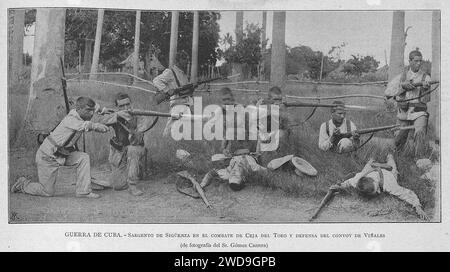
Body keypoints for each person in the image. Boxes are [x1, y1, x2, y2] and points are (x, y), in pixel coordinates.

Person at [11, 97, 110, 198]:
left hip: (62, 153)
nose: (91, 114)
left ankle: (83, 191)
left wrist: (101, 110)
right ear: (78, 109)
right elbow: (86, 125)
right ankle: (23, 184)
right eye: (88, 111)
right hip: (47, 156)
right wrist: (98, 126)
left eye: (92, 111)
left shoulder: (80, 114)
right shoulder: (71, 119)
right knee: (47, 192)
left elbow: (94, 106)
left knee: (83, 157)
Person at [201, 87, 267, 191]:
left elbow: (211, 173)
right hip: (245, 150)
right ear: (243, 177)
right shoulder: (251, 167)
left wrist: (201, 185)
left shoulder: (228, 172)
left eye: (233, 176)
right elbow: (268, 171)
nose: (235, 173)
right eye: (237, 176)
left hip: (239, 146)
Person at [330, 153, 429, 221]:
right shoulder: (357, 180)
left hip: (388, 173)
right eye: (375, 192)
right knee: (366, 167)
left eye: (377, 188)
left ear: (375, 181)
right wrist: (340, 186)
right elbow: (348, 182)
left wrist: (417, 207)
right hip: (371, 171)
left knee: (392, 165)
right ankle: (372, 160)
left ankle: (389, 156)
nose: (378, 192)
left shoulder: (389, 184)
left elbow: (407, 194)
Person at [99, 93, 157, 196]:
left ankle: (133, 184)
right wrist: (117, 115)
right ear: (117, 107)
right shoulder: (116, 116)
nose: (125, 108)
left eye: (127, 104)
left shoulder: (138, 115)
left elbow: (137, 138)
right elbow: (101, 121)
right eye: (121, 106)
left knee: (133, 149)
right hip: (120, 153)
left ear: (131, 104)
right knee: (118, 186)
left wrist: (130, 121)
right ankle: (131, 172)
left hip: (134, 149)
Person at [385, 49, 432, 158]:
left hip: (419, 112)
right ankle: (397, 158)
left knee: (420, 133)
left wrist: (426, 89)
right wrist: (402, 87)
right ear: (410, 61)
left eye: (420, 61)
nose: (419, 63)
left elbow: (427, 99)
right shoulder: (401, 77)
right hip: (404, 112)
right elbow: (388, 93)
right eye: (416, 61)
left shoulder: (426, 78)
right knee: (399, 139)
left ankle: (419, 159)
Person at [153, 50, 192, 137]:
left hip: (185, 104)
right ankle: (163, 144)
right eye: (185, 59)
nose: (187, 62)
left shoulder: (183, 74)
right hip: (177, 105)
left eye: (188, 59)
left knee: (186, 133)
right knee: (169, 132)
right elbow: (156, 81)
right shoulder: (170, 72)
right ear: (178, 60)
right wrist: (167, 90)